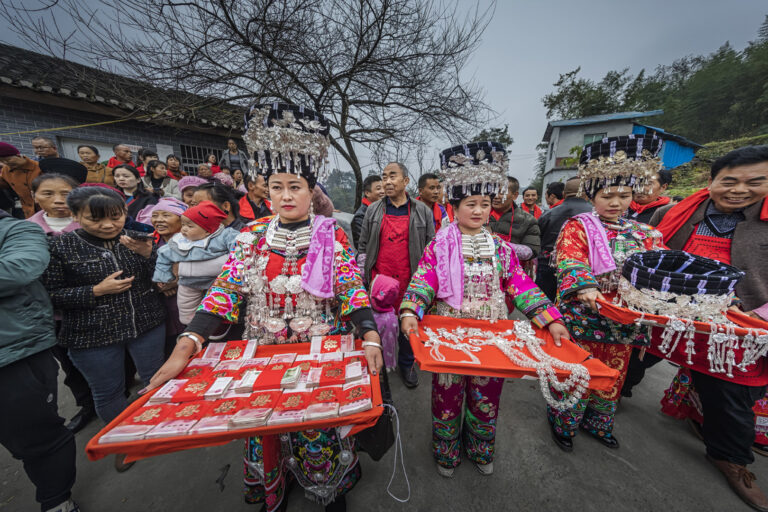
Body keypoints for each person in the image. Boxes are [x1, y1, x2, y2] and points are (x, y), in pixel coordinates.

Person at [146, 103, 383, 512]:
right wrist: (188, 342)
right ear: (266, 190)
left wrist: (370, 332)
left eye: (295, 186)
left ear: (312, 191)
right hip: (263, 348)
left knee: (318, 424)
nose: (286, 195)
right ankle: (277, 488)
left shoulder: (332, 234)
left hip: (318, 347)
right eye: (276, 186)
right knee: (265, 425)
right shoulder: (251, 236)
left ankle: (328, 491)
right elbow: (226, 290)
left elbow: (350, 288)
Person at [400, 141, 569, 478]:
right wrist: (410, 311)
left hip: (493, 332)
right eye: (470, 204)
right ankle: (446, 451)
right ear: (455, 205)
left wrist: (550, 319)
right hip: (449, 332)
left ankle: (480, 447)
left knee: (486, 394)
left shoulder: (499, 247)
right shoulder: (441, 243)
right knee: (447, 394)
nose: (478, 211)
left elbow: (520, 284)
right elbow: (424, 280)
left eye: (484, 204)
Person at [625, 145, 768, 511]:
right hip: (667, 311)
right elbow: (646, 252)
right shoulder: (679, 212)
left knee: (733, 395)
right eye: (729, 181)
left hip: (737, 321)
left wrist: (762, 314)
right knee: (629, 361)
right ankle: (606, 403)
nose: (740, 190)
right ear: (712, 181)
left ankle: (732, 460)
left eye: (755, 182)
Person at [546, 135, 666, 453]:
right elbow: (570, 259)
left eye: (623, 196)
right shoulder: (578, 226)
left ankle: (598, 423)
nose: (615, 203)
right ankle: (564, 422)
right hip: (585, 313)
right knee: (577, 370)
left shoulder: (645, 233)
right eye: (607, 195)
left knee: (613, 373)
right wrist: (585, 287)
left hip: (625, 318)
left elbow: (660, 268)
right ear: (592, 195)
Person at [42, 186, 166, 472]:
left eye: (115, 216)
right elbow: (49, 295)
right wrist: (95, 291)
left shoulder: (137, 238)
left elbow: (163, 275)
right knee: (109, 392)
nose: (108, 225)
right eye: (95, 219)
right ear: (75, 216)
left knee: (155, 379)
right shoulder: (59, 247)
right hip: (92, 334)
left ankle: (157, 428)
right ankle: (124, 442)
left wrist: (150, 254)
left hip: (146, 322)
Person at [0, 211, 79, 512]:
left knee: (36, 436)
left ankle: (57, 498)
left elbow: (18, 271)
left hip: (12, 355)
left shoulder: (16, 231)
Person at [358, 161, 435, 388]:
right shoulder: (373, 210)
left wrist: (426, 279)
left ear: (406, 181)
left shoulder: (422, 211)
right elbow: (363, 245)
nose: (387, 181)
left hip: (409, 278)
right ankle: (380, 365)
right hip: (380, 279)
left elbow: (431, 247)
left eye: (393, 176)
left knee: (408, 324)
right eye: (384, 177)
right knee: (380, 324)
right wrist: (364, 277)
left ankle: (407, 364)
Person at [153, 200, 238, 324]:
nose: (184, 230)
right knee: (185, 307)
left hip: (219, 281)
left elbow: (237, 245)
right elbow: (163, 256)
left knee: (223, 304)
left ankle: (221, 323)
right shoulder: (179, 242)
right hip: (189, 283)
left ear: (207, 231)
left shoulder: (222, 236)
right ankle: (192, 326)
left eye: (190, 226)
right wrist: (163, 277)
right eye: (183, 225)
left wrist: (235, 257)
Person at [534, 177, 591, 301]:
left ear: (564, 194)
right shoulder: (594, 214)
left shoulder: (548, 214)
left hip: (548, 264)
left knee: (544, 305)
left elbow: (538, 239)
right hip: (582, 270)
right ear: (587, 193)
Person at [148, 197, 188, 357]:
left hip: (186, 308)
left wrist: (176, 282)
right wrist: (161, 286)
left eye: (166, 215)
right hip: (158, 311)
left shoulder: (194, 242)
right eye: (155, 215)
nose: (159, 220)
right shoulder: (147, 242)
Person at [488, 176, 541, 257]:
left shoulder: (527, 220)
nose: (496, 196)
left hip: (510, 267)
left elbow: (532, 250)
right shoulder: (481, 214)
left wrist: (497, 245)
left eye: (501, 192)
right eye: (493, 192)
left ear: (515, 195)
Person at [0, 142, 42, 218]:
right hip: (28, 212)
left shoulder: (38, 167)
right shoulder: (6, 170)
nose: (6, 163)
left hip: (44, 208)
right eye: (2, 161)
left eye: (8, 159)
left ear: (18, 155)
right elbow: (3, 183)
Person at [351, 175, 384, 248]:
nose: (383, 191)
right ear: (367, 193)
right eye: (378, 189)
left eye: (384, 188)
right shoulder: (360, 216)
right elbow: (361, 245)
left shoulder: (384, 210)